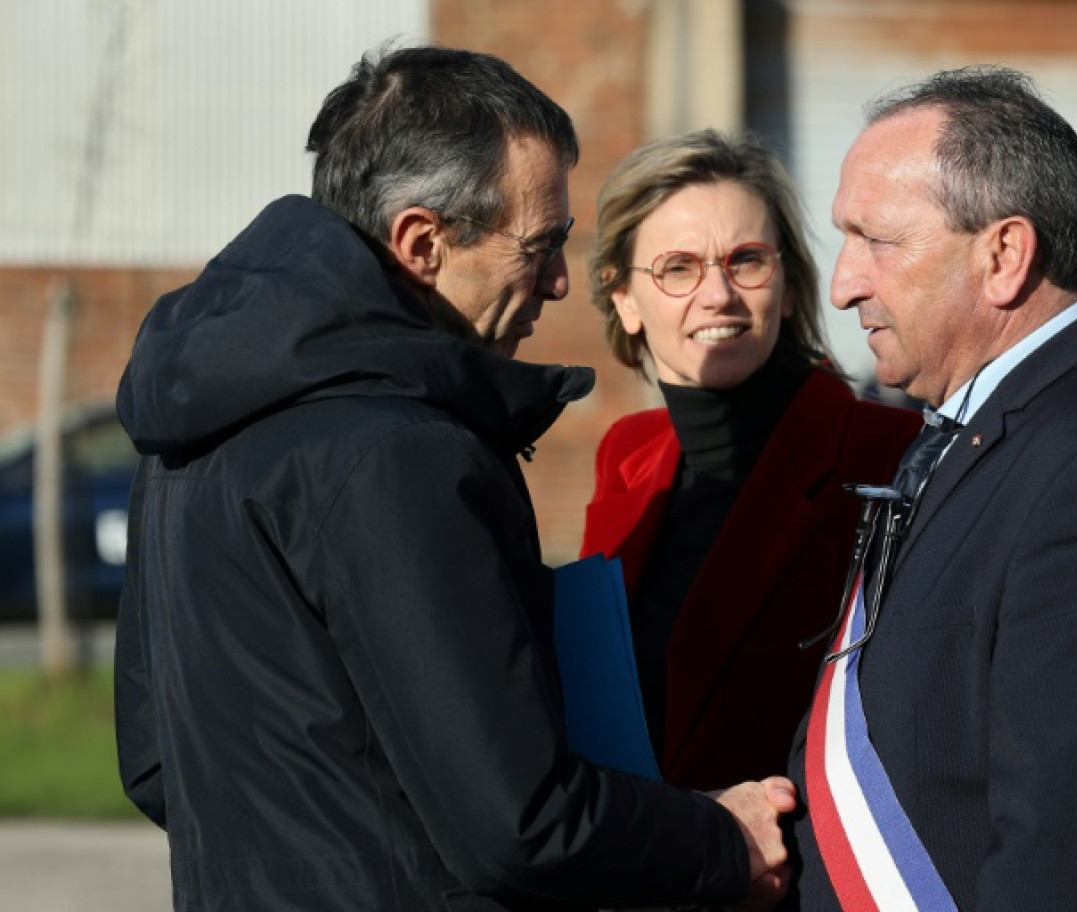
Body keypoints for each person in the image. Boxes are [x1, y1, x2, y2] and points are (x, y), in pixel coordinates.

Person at [113, 46, 794, 911]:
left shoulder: (188, 428)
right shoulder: (400, 452)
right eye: (541, 245)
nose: (557, 281)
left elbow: (156, 761)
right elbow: (521, 823)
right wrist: (722, 840)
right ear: (423, 242)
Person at [785, 67, 1077, 911]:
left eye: (877, 241)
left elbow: (1064, 862)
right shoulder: (990, 429)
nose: (843, 284)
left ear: (1003, 256)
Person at [580, 130, 922, 792]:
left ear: (789, 287)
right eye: (678, 267)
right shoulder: (626, 453)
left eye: (746, 261)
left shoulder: (888, 456)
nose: (718, 296)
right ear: (625, 299)